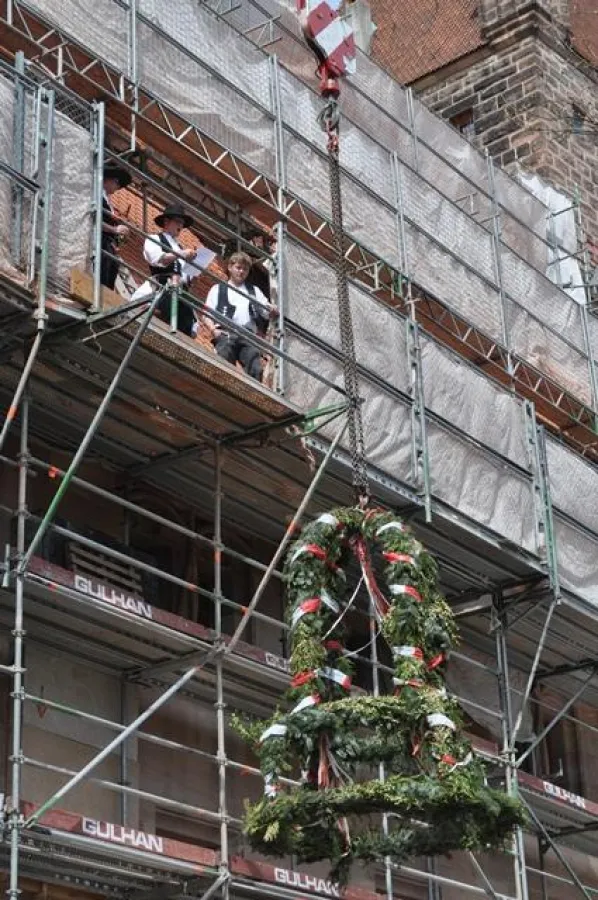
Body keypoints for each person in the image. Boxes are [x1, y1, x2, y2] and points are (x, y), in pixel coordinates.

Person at [203, 252, 278, 381]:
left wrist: (272, 309)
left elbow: (266, 311)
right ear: (230, 268)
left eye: (245, 269)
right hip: (225, 333)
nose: (242, 271)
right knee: (223, 365)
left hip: (247, 335)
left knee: (256, 369)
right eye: (238, 267)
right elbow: (206, 314)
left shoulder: (254, 290)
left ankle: (254, 398)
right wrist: (214, 331)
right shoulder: (218, 289)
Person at [141, 204, 202, 338]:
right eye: (178, 221)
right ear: (166, 222)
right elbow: (160, 259)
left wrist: (193, 273)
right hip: (163, 286)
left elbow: (185, 275)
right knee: (165, 310)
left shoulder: (179, 246)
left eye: (182, 223)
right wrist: (181, 254)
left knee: (186, 323)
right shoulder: (155, 239)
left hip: (181, 292)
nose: (181, 226)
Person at [101, 163, 131, 290]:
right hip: (100, 242)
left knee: (110, 273)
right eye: (116, 182)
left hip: (109, 246)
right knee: (102, 273)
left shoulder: (108, 201)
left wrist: (120, 238)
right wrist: (114, 229)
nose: (118, 187)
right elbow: (93, 220)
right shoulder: (96, 195)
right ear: (106, 179)